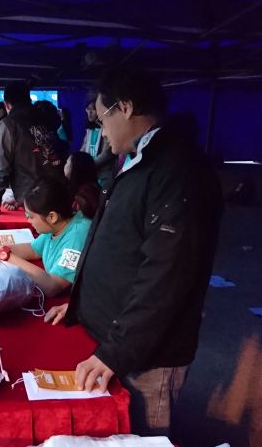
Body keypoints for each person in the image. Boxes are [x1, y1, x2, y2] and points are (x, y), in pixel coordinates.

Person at [44, 68, 222, 438]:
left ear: (125, 108)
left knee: (143, 434)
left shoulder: (178, 169)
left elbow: (167, 274)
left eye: (102, 118)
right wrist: (79, 304)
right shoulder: (140, 158)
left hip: (147, 354)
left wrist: (117, 351)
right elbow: (115, 242)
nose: (102, 130)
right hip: (115, 336)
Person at [0, 176, 91, 296]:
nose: (28, 220)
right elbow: (34, 250)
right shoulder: (56, 227)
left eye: (30, 216)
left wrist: (2, 253)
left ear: (52, 217)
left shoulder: (77, 235)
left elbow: (53, 286)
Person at [0, 82, 60, 214]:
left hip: (34, 197)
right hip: (56, 188)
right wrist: (19, 199)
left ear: (7, 104)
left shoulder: (9, 124)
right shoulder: (44, 117)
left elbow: (1, 164)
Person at [81, 99, 116, 190]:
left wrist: (88, 165)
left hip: (104, 176)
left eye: (93, 109)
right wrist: (77, 160)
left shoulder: (105, 129)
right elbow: (83, 149)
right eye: (88, 109)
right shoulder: (89, 130)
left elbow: (106, 154)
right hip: (91, 174)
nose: (89, 112)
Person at [64, 151, 100, 219]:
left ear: (75, 167)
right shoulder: (86, 187)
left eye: (67, 162)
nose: (64, 166)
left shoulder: (85, 192)